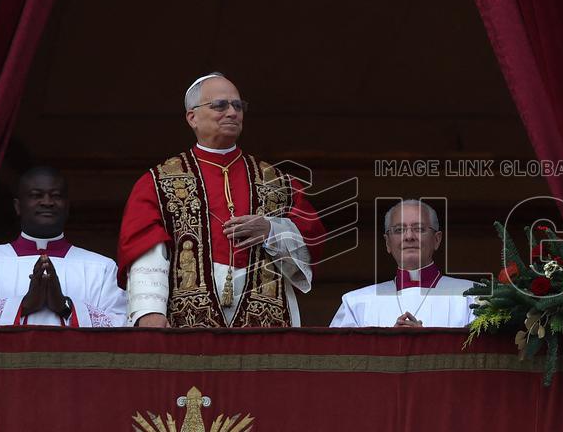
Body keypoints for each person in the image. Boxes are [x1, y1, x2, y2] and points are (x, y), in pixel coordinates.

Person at [118, 73, 324, 328]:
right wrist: (149, 312)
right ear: (192, 117)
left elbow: (313, 239)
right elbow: (145, 247)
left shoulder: (277, 182)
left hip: (265, 316)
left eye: (238, 106)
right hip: (184, 317)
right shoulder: (158, 182)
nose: (232, 112)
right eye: (220, 105)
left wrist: (271, 230)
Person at [0, 167, 126, 327]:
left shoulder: (102, 268)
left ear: (68, 206)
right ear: (18, 206)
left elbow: (124, 323)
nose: (47, 202)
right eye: (36, 195)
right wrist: (23, 305)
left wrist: (65, 307)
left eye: (56, 195)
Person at [330, 200, 476, 327]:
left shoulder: (474, 297)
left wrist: (428, 343)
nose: (409, 236)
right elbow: (339, 357)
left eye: (419, 229)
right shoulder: (355, 304)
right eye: (399, 230)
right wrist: (391, 345)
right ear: (388, 242)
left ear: (436, 240)